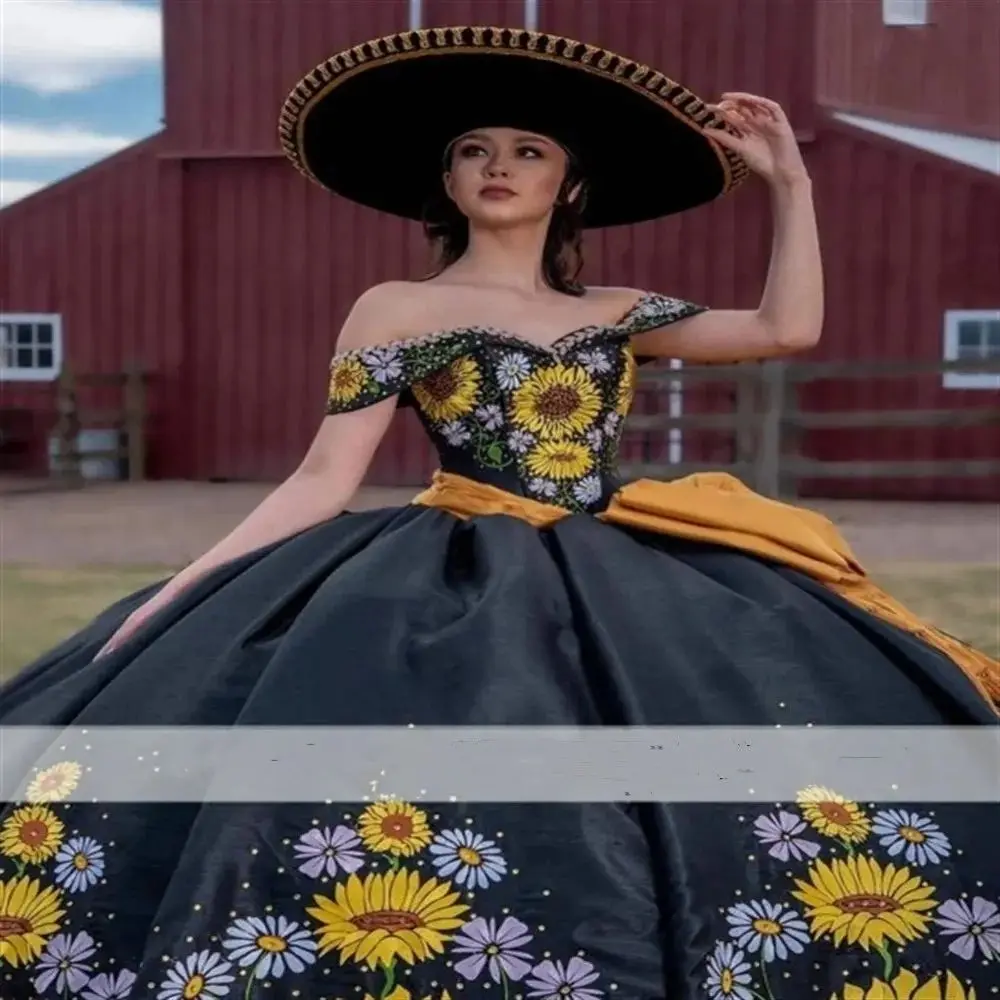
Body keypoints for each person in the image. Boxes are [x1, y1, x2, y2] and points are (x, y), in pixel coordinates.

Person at [1, 25, 996, 1000]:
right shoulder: (397, 307)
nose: (497, 166)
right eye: (473, 151)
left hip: (619, 571)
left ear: (569, 186)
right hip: (457, 568)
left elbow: (788, 327)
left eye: (527, 151)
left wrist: (792, 183)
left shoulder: (620, 311)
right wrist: (184, 588)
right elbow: (321, 478)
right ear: (445, 181)